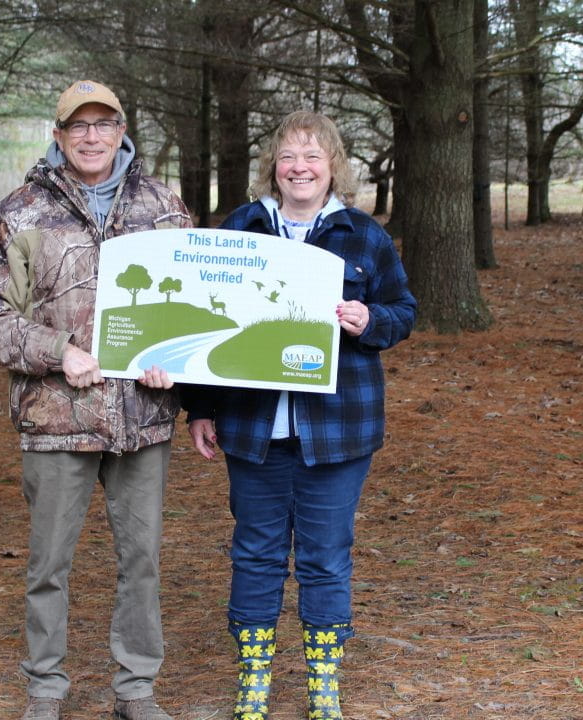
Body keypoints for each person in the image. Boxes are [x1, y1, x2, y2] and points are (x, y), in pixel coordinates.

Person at [0, 80, 191, 720]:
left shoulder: (164, 208)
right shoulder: (24, 210)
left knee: (141, 561)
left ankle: (136, 690)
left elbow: (191, 305)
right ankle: (45, 688)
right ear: (59, 135)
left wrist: (172, 365)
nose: (91, 136)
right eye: (78, 125)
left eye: (104, 123)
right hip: (57, 417)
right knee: (48, 565)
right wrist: (56, 350)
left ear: (123, 131)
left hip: (141, 420)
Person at [183, 111, 417, 720]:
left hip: (337, 429)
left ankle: (322, 684)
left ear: (332, 165)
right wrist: (200, 407)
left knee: (325, 553)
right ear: (274, 168)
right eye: (289, 157)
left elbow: (403, 309)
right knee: (255, 551)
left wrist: (372, 322)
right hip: (253, 426)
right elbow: (204, 322)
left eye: (312, 156)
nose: (300, 168)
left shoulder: (363, 235)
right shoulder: (242, 229)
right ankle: (254, 678)